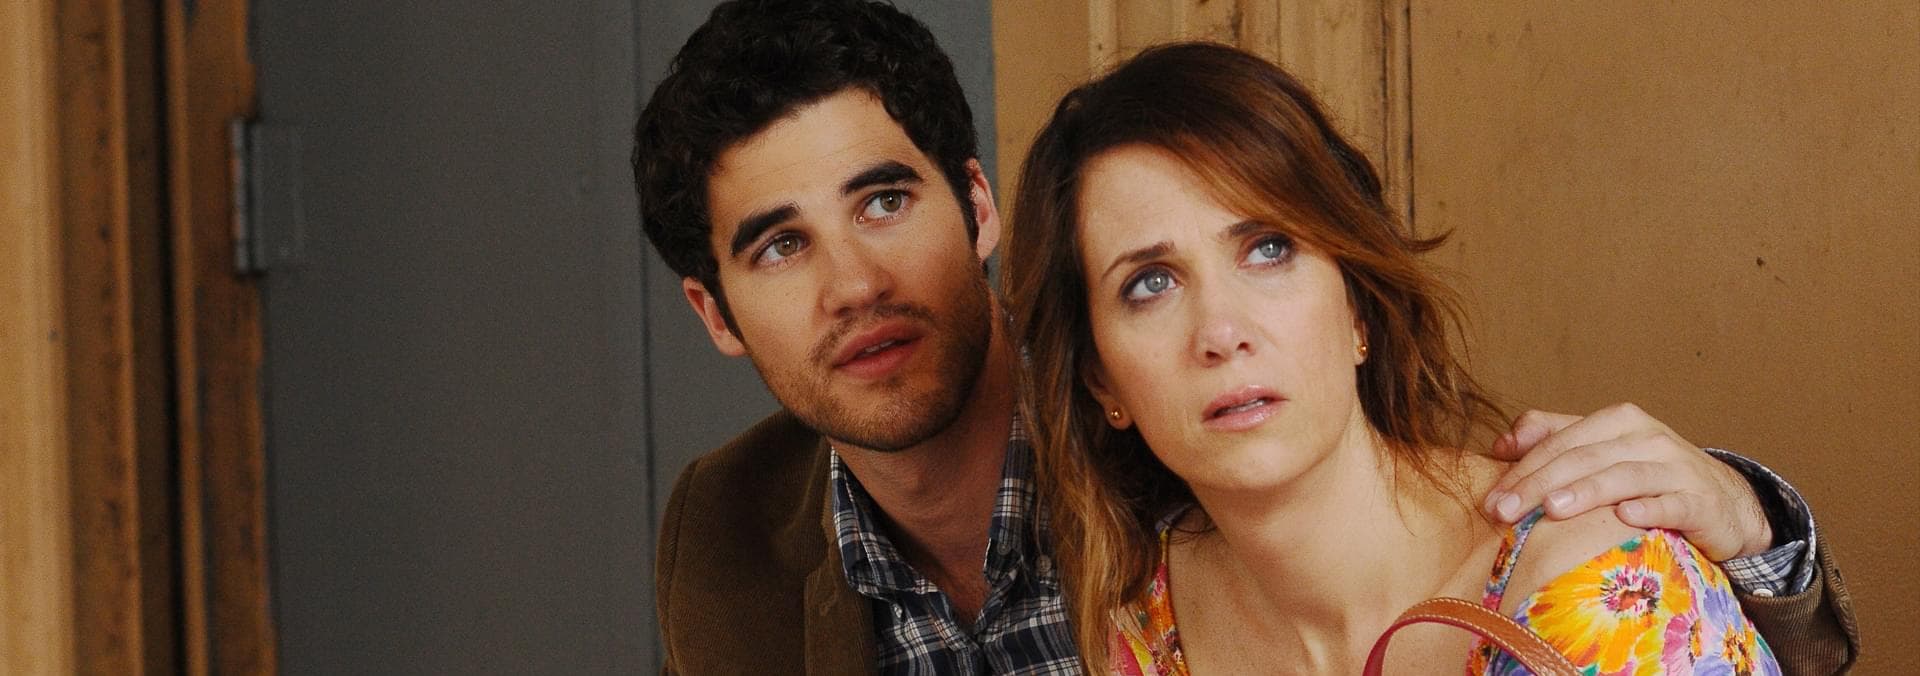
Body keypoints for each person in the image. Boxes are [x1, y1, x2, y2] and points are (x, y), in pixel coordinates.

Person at [633, 1, 1856, 673]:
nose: (853, 284)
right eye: (779, 246)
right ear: (714, 310)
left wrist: (1750, 528)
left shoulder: (1208, 454)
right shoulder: (723, 536)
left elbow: (1493, 539)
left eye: (883, 202)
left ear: (977, 207)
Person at [1002, 42, 1843, 675]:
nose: (1222, 331)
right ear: (1101, 379)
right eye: (1150, 284)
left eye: (1268, 248)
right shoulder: (1145, 623)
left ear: (1357, 308)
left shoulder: (1596, 586)